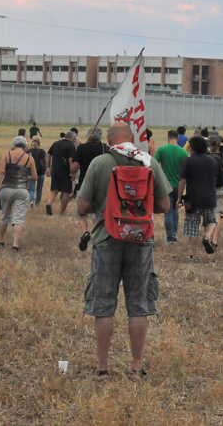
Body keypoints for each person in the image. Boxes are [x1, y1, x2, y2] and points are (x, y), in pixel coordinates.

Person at [76, 122, 171, 381]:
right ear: (132, 138)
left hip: (106, 238)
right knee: (139, 305)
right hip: (141, 238)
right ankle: (136, 367)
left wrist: (105, 206)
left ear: (108, 140)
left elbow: (82, 205)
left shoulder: (100, 163)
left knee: (103, 306)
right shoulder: (149, 162)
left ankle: (103, 369)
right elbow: (165, 205)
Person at [178, 136, 219, 262]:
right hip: (210, 198)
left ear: (193, 148)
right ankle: (207, 236)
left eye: (190, 146)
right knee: (211, 221)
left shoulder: (189, 161)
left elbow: (183, 181)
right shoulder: (212, 161)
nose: (189, 148)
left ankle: (195, 256)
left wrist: (179, 198)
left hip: (192, 200)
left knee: (192, 228)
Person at [0, 136, 38, 252]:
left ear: (14, 145)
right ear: (25, 147)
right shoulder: (29, 158)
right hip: (22, 190)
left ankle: (1, 241)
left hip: (7, 188)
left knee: (5, 216)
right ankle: (15, 245)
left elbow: (1, 171)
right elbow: (35, 177)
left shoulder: (7, 155)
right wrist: (24, 177)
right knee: (19, 218)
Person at [73, 128, 109, 250]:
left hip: (84, 183)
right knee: (96, 214)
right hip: (101, 185)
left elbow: (74, 168)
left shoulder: (82, 148)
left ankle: (85, 232)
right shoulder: (105, 148)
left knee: (81, 212)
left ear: (88, 135)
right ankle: (96, 235)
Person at [154, 130, 189, 244]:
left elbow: (154, 163)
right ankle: (174, 233)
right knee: (175, 209)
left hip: (166, 185)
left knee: (168, 211)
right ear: (178, 138)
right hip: (179, 185)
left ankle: (169, 237)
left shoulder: (162, 149)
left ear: (168, 137)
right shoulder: (183, 152)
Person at [46, 131, 77, 216]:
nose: (75, 140)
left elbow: (48, 155)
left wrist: (48, 168)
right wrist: (73, 172)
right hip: (66, 171)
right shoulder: (71, 146)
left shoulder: (56, 143)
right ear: (71, 138)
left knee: (54, 189)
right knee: (66, 192)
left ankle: (49, 203)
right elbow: (71, 160)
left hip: (55, 170)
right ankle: (62, 212)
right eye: (75, 139)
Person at [209, 139, 223, 251]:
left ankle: (207, 236)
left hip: (207, 189)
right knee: (218, 214)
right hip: (220, 189)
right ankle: (214, 240)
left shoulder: (205, 157)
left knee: (208, 214)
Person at [26, 136, 46, 209]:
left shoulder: (28, 151)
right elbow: (43, 162)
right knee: (39, 188)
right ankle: (37, 203)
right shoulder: (42, 151)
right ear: (39, 143)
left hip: (31, 172)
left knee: (31, 188)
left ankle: (31, 201)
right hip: (41, 172)